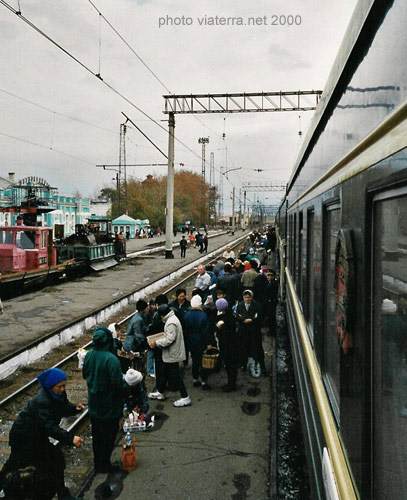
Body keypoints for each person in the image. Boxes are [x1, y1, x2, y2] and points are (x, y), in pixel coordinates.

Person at [1, 368, 84, 500]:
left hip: (36, 436)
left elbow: (62, 406)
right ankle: (61, 494)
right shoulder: (42, 401)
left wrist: (74, 408)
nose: (63, 389)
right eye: (60, 386)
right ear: (51, 386)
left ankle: (62, 494)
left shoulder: (57, 395)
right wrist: (70, 438)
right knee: (23, 462)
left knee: (52, 459)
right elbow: (49, 427)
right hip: (24, 437)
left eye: (64, 385)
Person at [83, 326, 128, 474]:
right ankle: (105, 464)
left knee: (97, 436)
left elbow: (85, 374)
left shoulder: (89, 355)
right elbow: (117, 384)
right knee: (109, 436)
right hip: (109, 405)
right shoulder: (111, 359)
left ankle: (98, 464)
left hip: (94, 403)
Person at [148, 304, 191, 407]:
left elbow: (169, 339)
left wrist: (156, 343)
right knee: (165, 372)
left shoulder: (171, 322)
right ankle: (160, 392)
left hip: (172, 353)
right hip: (171, 353)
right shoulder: (172, 318)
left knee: (175, 375)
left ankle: (185, 397)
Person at [183, 295, 214, 390]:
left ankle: (195, 379)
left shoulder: (187, 315)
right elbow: (206, 331)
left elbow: (185, 330)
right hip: (201, 341)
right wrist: (209, 343)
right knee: (203, 362)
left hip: (191, 341)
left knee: (194, 360)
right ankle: (204, 381)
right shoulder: (203, 315)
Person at [235, 290, 263, 377]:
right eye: (245, 297)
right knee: (243, 348)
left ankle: (256, 364)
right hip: (243, 331)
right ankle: (243, 364)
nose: (247, 299)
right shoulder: (240, 305)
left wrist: (251, 320)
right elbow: (237, 316)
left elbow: (260, 317)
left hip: (253, 331)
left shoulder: (257, 306)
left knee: (255, 348)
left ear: (251, 297)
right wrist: (243, 320)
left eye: (249, 297)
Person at [215, 298, 240, 392]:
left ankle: (231, 385)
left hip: (228, 346)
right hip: (231, 345)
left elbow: (225, 333)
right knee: (231, 366)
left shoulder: (225, 319)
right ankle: (231, 383)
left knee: (230, 366)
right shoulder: (230, 315)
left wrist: (220, 328)